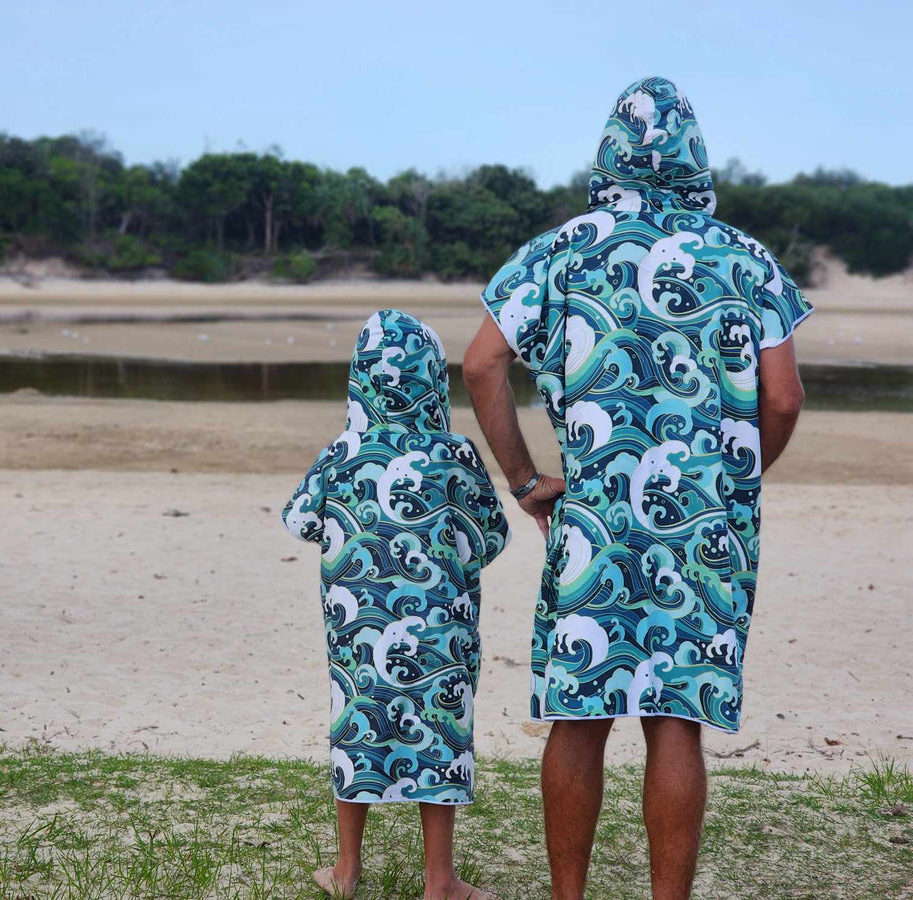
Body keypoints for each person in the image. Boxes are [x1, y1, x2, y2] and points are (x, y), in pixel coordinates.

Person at [462, 76, 812, 900]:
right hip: (703, 529)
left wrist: (523, 480)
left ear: (610, 151)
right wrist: (735, 477)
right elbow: (786, 397)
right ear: (694, 151)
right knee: (674, 720)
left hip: (589, 518)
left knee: (579, 720)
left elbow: (480, 365)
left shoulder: (558, 250)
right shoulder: (746, 257)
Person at [283, 309, 509, 900]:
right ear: (435, 381)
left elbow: (300, 519)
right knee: (438, 737)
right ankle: (439, 883)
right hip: (441, 635)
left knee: (356, 728)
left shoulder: (342, 453)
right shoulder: (454, 455)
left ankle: (346, 870)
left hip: (356, 632)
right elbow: (490, 538)